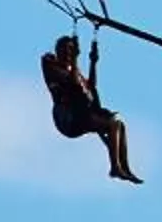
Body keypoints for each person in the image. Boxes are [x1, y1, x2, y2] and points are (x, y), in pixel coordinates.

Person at [41, 32, 142, 183]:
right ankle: (115, 167)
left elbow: (90, 87)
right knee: (111, 123)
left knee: (118, 124)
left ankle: (124, 168)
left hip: (80, 117)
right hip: (68, 118)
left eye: (70, 50)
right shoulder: (52, 66)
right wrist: (75, 59)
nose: (68, 54)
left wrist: (93, 62)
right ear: (58, 51)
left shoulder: (74, 71)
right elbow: (74, 84)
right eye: (65, 50)